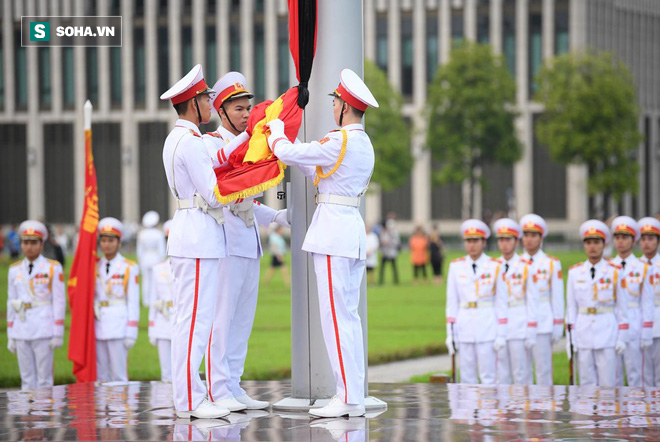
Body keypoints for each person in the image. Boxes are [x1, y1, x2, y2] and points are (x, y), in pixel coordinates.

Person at [266, 68, 378, 417]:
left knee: (336, 319)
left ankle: (347, 398)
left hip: (333, 235)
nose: (333, 107)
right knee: (349, 318)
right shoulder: (361, 144)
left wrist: (276, 132)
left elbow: (289, 153)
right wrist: (296, 156)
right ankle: (353, 394)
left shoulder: (339, 141)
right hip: (350, 232)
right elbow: (318, 172)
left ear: (344, 106)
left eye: (335, 101)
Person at [203, 71, 288, 411]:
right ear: (220, 111)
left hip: (248, 242)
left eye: (247, 108)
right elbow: (221, 173)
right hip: (224, 242)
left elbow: (248, 199)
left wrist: (278, 217)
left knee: (241, 320)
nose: (245, 114)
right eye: (238, 109)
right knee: (221, 320)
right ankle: (217, 388)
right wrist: (251, 135)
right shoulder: (210, 143)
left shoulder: (249, 143)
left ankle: (233, 384)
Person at [160, 64, 230, 419]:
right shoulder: (190, 142)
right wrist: (242, 186)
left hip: (190, 232)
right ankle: (190, 399)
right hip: (199, 235)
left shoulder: (178, 138)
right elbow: (215, 195)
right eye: (205, 98)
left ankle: (188, 396)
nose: (210, 104)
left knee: (188, 320)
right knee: (195, 322)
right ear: (193, 103)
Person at [566, 220, 628, 386]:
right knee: (586, 384)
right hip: (583, 331)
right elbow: (572, 307)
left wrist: (622, 337)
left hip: (607, 331)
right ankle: (587, 413)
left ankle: (606, 413)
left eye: (596, 242)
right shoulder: (575, 272)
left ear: (604, 244)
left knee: (608, 384)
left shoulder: (615, 272)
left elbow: (622, 308)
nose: (592, 247)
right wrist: (570, 338)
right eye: (588, 242)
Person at [445, 219, 507, 385]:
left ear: (484, 242)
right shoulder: (456, 266)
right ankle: (468, 411)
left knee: (488, 377)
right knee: (467, 377)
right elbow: (452, 302)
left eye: (475, 241)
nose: (472, 245)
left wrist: (501, 333)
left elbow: (502, 302)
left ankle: (489, 411)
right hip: (464, 326)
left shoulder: (495, 266)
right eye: (468, 241)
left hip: (487, 326)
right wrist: (450, 334)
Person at [6, 220, 65, 390]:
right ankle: (28, 415)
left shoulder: (53, 268)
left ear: (41, 244)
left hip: (43, 327)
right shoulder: (14, 270)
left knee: (44, 379)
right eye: (25, 242)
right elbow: (11, 301)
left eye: (33, 243)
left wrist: (57, 332)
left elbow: (59, 301)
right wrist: (11, 333)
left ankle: (43, 415)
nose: (29, 247)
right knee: (26, 379)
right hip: (21, 327)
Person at [519, 214, 564, 386]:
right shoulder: (516, 263)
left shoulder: (550, 263)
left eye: (534, 235)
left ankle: (545, 409)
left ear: (541, 237)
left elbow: (557, 296)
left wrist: (558, 323)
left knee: (543, 370)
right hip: (520, 321)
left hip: (543, 321)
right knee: (522, 372)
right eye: (526, 235)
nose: (529, 240)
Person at [609, 216, 654, 387]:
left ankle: (639, 412)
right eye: (617, 237)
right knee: (614, 375)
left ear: (633, 240)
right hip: (614, 322)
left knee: (637, 374)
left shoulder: (643, 268)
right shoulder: (608, 266)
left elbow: (647, 301)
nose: (620, 242)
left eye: (625, 238)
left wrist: (647, 331)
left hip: (636, 321)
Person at [493, 218, 538, 385]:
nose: (504, 244)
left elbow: (533, 300)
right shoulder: (492, 266)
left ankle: (523, 409)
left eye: (508, 239)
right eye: (501, 240)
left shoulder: (526, 266)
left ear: (516, 241)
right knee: (500, 372)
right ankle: (503, 410)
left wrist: (531, 329)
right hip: (498, 324)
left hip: (519, 322)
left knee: (521, 372)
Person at [94, 217, 140, 383]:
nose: (107, 244)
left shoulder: (129, 267)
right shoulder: (94, 266)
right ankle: (103, 408)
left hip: (119, 325)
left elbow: (133, 301)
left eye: (111, 240)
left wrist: (131, 331)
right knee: (101, 375)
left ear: (119, 243)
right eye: (104, 240)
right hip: (98, 324)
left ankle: (120, 409)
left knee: (119, 375)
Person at [148, 220, 174, 383]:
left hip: (183, 320)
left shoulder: (192, 267)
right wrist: (152, 328)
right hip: (163, 320)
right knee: (166, 372)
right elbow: (153, 299)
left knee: (184, 371)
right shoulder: (158, 268)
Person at [639, 217, 660, 386]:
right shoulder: (634, 266)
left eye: (651, 239)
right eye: (643, 239)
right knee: (643, 375)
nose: (646, 243)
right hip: (640, 324)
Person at [137, 210, 166, 307]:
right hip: (155, 258)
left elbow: (139, 250)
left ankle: (146, 301)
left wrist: (140, 261)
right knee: (155, 280)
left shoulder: (142, 233)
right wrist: (163, 260)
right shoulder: (158, 233)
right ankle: (154, 299)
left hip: (145, 258)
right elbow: (162, 249)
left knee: (146, 280)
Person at [379, 216, 400, 285]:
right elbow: (381, 241)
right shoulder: (382, 232)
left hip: (391, 252)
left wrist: (389, 242)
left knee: (394, 267)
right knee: (382, 268)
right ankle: (381, 281)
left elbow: (397, 242)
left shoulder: (394, 233)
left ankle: (396, 280)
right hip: (385, 252)